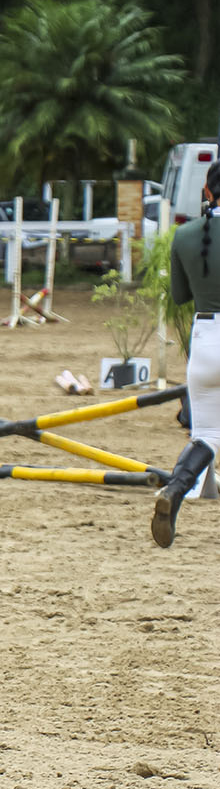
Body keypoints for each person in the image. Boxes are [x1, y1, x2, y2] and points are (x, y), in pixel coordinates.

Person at [152, 159, 220, 546]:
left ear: (207, 194)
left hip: (206, 340)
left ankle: (175, 492)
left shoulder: (185, 235)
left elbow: (180, 295)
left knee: (207, 434)